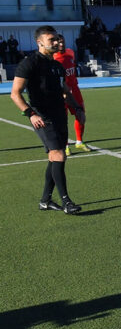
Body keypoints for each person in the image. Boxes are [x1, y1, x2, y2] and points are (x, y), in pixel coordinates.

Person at [9, 26, 83, 215]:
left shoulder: (57, 66)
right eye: (52, 40)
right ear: (40, 42)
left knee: (56, 158)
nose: (57, 43)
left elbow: (65, 91)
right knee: (58, 154)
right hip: (42, 117)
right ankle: (66, 202)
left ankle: (45, 200)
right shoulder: (29, 63)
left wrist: (77, 108)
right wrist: (30, 114)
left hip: (60, 115)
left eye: (57, 39)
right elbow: (15, 94)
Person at [53, 35, 90, 153]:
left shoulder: (70, 52)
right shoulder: (54, 58)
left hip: (75, 89)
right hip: (62, 92)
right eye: (59, 43)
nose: (61, 45)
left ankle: (79, 141)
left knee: (81, 115)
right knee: (63, 120)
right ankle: (65, 145)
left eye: (63, 42)